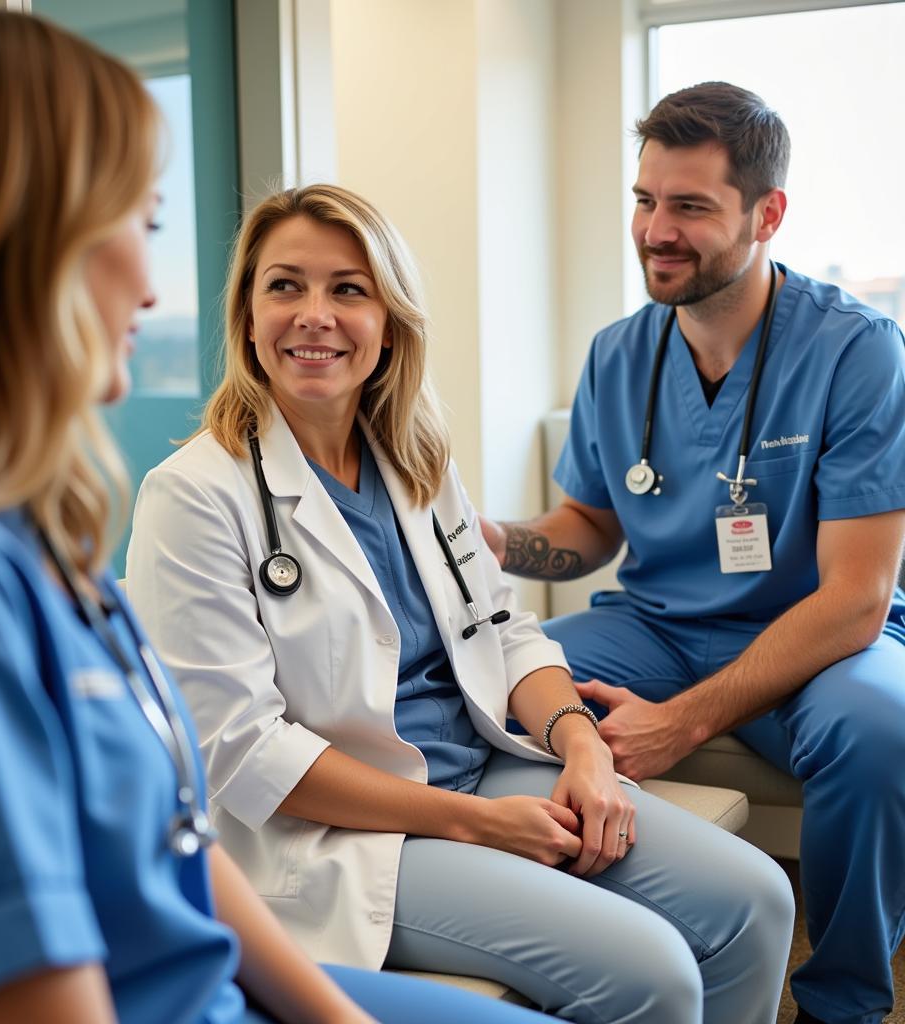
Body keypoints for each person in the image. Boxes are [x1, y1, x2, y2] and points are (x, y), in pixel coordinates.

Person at [0, 5, 553, 1023]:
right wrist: (469, 820)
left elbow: (175, 836)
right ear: (19, 240)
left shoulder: (36, 532)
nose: (152, 290)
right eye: (137, 226)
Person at [125, 182, 795, 1024]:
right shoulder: (193, 496)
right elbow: (243, 753)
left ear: (389, 317)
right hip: (350, 831)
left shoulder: (412, 457)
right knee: (652, 973)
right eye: (285, 285)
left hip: (484, 761)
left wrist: (581, 745)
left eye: (349, 289)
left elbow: (506, 631)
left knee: (757, 904)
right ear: (248, 314)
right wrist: (474, 825)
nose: (314, 315)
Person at [481, 82, 905, 1024]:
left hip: (813, 636)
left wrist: (679, 723)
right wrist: (484, 539)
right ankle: (579, 944)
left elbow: (857, 600)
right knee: (490, 679)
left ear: (768, 214)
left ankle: (843, 1002)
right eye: (645, 200)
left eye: (690, 207)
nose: (655, 231)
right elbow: (587, 530)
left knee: (881, 733)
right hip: (658, 625)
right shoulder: (619, 354)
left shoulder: (858, 351)